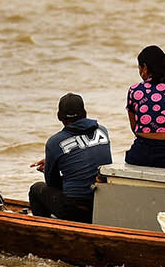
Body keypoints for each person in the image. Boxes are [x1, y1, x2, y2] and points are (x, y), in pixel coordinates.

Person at [29, 92, 112, 222]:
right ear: (85, 113)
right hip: (102, 204)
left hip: (77, 210)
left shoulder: (54, 142)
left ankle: (46, 231)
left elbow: (52, 183)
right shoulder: (102, 130)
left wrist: (50, 166)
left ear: (59, 117)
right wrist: (62, 162)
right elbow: (88, 157)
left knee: (36, 189)